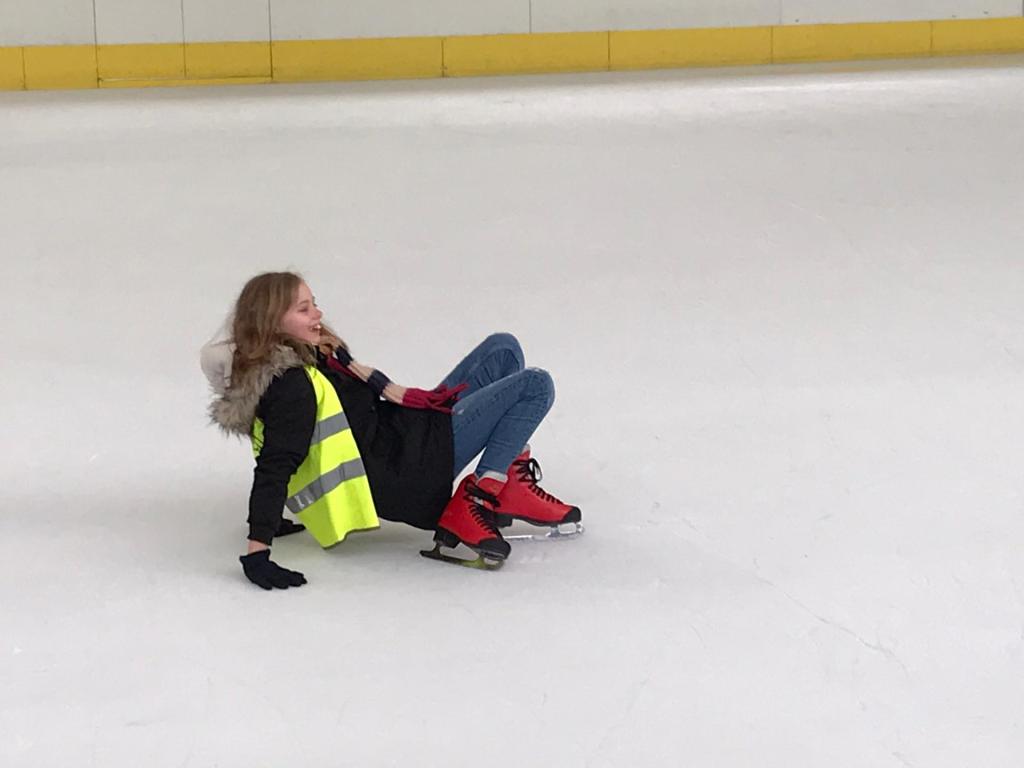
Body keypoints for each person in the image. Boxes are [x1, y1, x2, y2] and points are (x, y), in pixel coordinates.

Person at [201, 271, 581, 590]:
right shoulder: (291, 386)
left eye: (314, 303)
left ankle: (510, 484)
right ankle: (477, 500)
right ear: (271, 322)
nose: (318, 313)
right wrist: (258, 550)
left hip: (405, 436)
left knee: (503, 350)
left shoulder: (321, 354)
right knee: (535, 385)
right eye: (304, 309)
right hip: (408, 470)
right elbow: (275, 464)